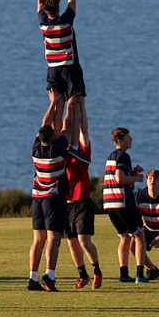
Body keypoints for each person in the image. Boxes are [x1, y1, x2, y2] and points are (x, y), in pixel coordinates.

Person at [37, 0, 88, 163]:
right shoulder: (66, 22)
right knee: (74, 104)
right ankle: (73, 146)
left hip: (52, 69)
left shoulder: (43, 24)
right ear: (57, 10)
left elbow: (40, 0)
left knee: (57, 104)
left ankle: (57, 141)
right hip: (69, 68)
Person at [102, 127, 150, 284]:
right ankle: (140, 275)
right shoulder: (123, 155)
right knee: (140, 235)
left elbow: (118, 175)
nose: (131, 140)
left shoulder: (111, 157)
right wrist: (137, 178)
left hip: (109, 204)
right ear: (120, 141)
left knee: (124, 237)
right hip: (122, 202)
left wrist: (132, 172)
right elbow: (119, 178)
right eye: (129, 137)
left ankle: (123, 274)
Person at [28, 109, 69, 292]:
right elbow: (66, 129)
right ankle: (50, 275)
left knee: (38, 239)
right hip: (52, 198)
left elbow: (42, 129)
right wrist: (67, 106)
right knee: (54, 237)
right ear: (53, 137)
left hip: (37, 197)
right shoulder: (58, 151)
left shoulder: (36, 151)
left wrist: (52, 105)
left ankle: (33, 278)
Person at [63, 105, 102, 289]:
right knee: (71, 243)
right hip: (66, 204)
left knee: (84, 241)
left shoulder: (83, 153)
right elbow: (64, 126)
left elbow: (83, 129)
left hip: (83, 203)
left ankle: (97, 271)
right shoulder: (62, 154)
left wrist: (81, 108)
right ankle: (82, 274)